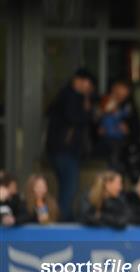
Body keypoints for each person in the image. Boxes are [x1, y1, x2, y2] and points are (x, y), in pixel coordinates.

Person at [45, 68, 96, 221]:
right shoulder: (71, 96)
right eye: (89, 84)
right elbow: (77, 118)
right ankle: (62, 220)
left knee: (65, 187)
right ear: (78, 80)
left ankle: (61, 216)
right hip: (65, 150)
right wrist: (87, 109)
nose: (89, 89)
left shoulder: (64, 95)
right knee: (69, 188)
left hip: (61, 150)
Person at [98, 79, 140, 175]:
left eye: (123, 94)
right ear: (113, 90)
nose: (120, 97)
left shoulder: (129, 107)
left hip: (122, 145)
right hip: (105, 145)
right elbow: (95, 120)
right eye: (118, 93)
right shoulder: (104, 102)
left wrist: (128, 129)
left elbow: (136, 128)